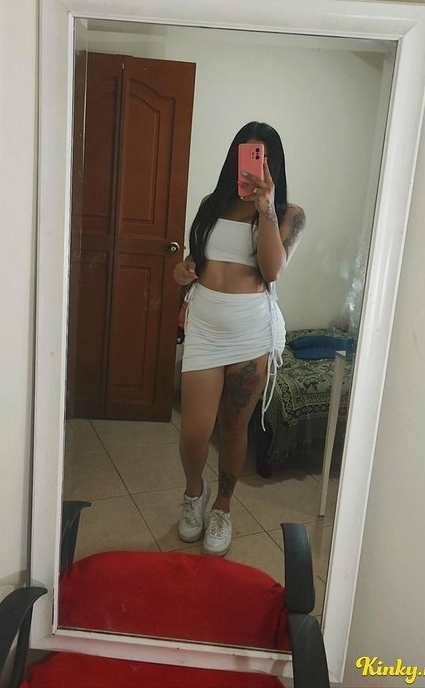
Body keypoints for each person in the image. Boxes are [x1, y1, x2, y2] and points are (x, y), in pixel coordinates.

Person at [173, 121, 305, 556]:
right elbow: (197, 258)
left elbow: (271, 270)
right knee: (195, 430)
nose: (251, 166)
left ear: (273, 163)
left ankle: (223, 508)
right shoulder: (213, 204)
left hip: (250, 332)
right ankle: (195, 494)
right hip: (205, 326)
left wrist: (265, 210)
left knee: (234, 427)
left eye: (261, 157)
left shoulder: (288, 214)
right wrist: (182, 271)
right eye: (245, 155)